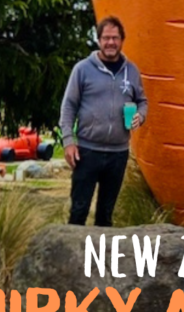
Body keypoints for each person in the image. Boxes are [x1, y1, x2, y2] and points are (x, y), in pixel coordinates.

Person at [60, 15, 148, 226]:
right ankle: (74, 257)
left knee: (106, 214)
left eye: (115, 38)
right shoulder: (82, 69)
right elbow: (68, 106)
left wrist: (140, 116)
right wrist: (68, 141)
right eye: (106, 38)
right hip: (87, 151)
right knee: (79, 210)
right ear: (98, 40)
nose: (111, 42)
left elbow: (142, 101)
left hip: (118, 154)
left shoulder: (132, 71)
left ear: (121, 40)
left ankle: (100, 258)